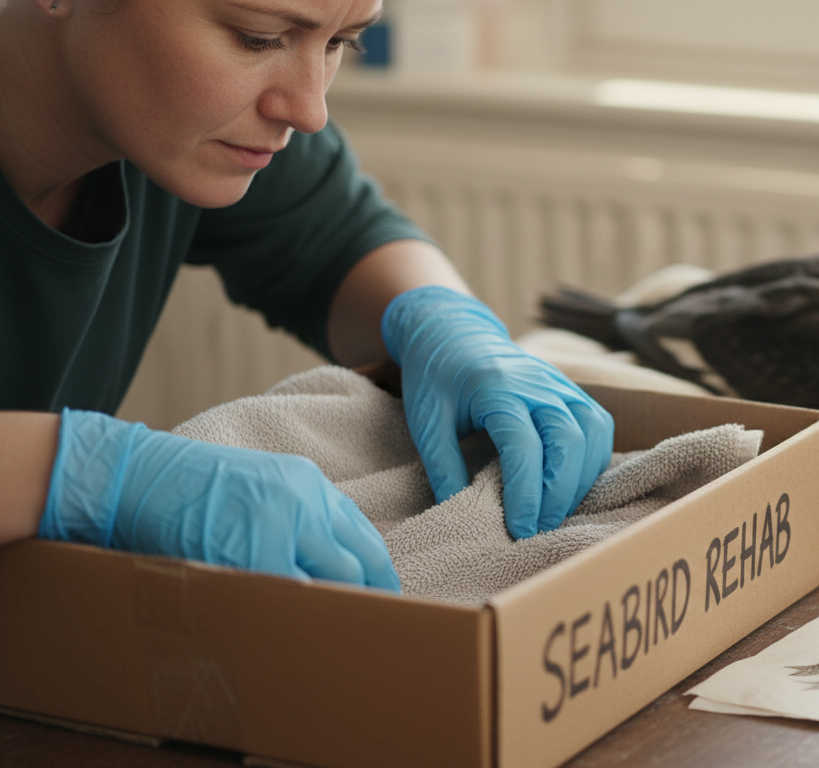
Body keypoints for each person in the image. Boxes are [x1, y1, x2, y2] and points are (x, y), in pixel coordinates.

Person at [0, 0, 615, 592]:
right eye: (258, 38)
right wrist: (96, 472)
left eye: (341, 42)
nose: (310, 109)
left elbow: (342, 239)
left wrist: (445, 321)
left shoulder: (169, 121)